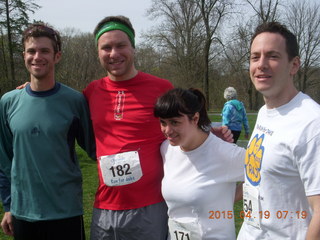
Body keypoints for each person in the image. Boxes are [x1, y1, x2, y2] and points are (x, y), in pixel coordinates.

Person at [84, 15, 233, 240]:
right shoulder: (91, 92)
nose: (114, 53)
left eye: (121, 45)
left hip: (150, 206)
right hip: (104, 207)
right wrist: (32, 88)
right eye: (106, 48)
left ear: (133, 48)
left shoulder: (160, 88)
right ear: (98, 53)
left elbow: (181, 125)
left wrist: (209, 133)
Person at [0, 23, 95, 240]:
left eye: (44, 51)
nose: (37, 57)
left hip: (66, 212)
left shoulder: (74, 101)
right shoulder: (8, 102)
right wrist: (8, 205)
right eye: (31, 51)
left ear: (57, 56)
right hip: (24, 212)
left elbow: (95, 148)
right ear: (23, 55)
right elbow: (4, 160)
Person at [237, 21, 320, 239]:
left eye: (272, 56)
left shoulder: (312, 124)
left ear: (294, 65)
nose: (261, 64)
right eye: (255, 57)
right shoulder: (266, 111)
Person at [154, 88, 245, 240]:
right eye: (163, 123)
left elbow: (266, 173)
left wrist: (228, 198)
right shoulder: (167, 149)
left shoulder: (224, 153)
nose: (167, 130)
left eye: (175, 122)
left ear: (195, 119)